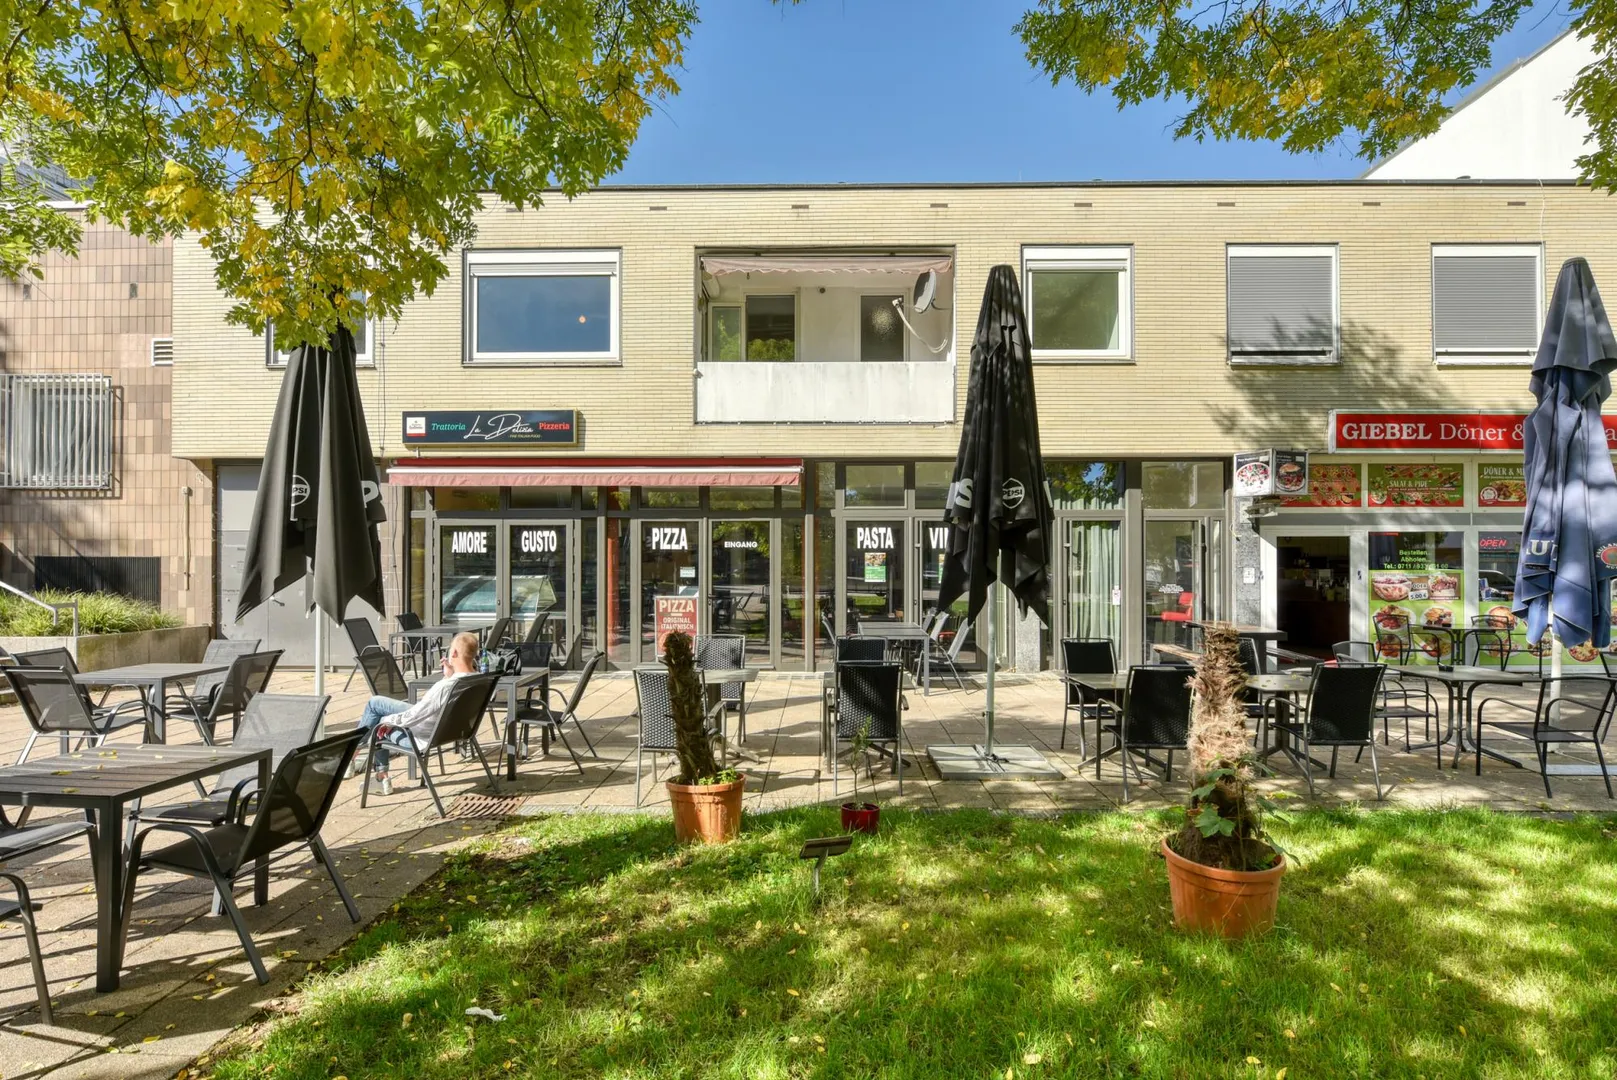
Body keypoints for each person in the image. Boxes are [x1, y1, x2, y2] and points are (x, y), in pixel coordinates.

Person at [351, 630, 480, 794]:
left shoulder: (446, 687)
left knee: (378, 716)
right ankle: (367, 766)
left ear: (454, 653)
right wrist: (448, 675)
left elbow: (416, 715)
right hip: (447, 732)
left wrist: (390, 721)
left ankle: (365, 765)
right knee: (377, 704)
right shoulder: (478, 679)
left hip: (420, 737)